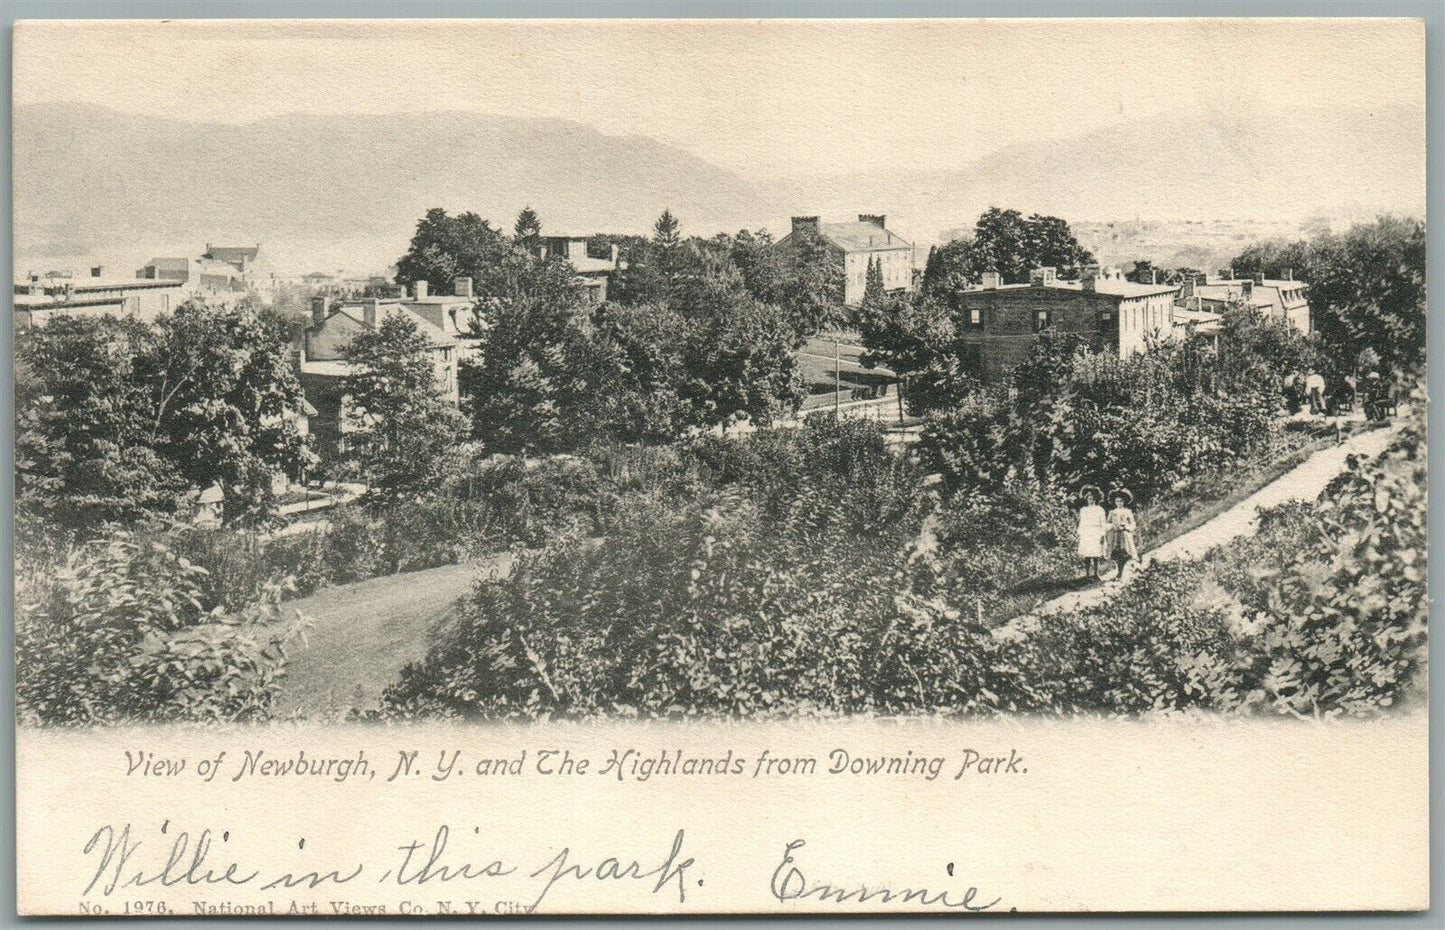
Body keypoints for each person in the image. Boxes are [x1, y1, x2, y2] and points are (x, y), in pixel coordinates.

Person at [1076, 486, 1107, 579]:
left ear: (1096, 499)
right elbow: (1082, 522)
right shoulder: (1083, 510)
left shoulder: (1100, 509)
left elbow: (1103, 523)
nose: (1091, 501)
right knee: (1087, 555)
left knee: (1096, 554)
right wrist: (1080, 534)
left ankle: (1096, 573)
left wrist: (1102, 535)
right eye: (1089, 499)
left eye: (1093, 499)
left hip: (1096, 532)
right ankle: (1087, 574)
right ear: (1087, 500)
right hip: (1087, 533)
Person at [1106, 488, 1139, 570]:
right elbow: (1107, 524)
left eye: (1121, 501)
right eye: (1117, 501)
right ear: (1114, 502)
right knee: (1115, 552)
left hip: (1125, 534)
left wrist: (1126, 526)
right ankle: (1117, 568)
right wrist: (1112, 526)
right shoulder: (1112, 512)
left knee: (1128, 550)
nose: (1119, 503)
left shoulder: (1128, 511)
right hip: (1115, 534)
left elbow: (1133, 524)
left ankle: (1132, 565)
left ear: (1124, 502)